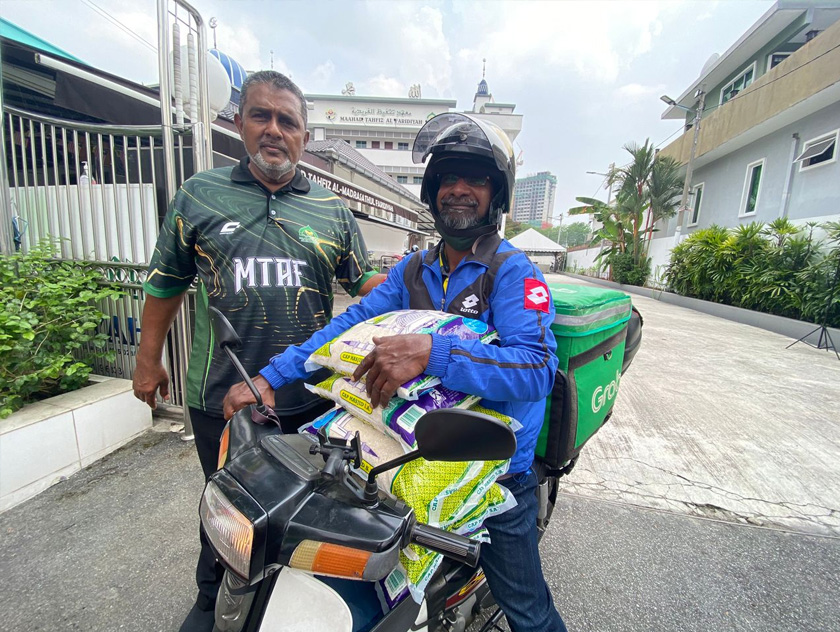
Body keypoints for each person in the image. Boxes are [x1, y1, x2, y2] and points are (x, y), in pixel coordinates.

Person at [224, 112, 567, 632]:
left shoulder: (514, 273)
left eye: (475, 179)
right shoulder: (413, 272)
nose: (459, 190)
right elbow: (348, 327)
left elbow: (538, 367)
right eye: (448, 177)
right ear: (431, 191)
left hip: (492, 471)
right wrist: (271, 378)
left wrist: (434, 353)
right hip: (400, 454)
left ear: (495, 193)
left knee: (529, 612)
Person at [132, 70, 381, 632]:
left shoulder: (332, 211)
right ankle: (210, 599)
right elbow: (164, 284)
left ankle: (287, 605)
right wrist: (149, 360)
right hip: (220, 394)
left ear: (304, 136)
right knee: (227, 502)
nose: (274, 130)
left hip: (309, 394)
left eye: (287, 121)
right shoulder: (200, 194)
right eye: (261, 116)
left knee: (305, 507)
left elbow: (369, 284)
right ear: (239, 121)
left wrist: (430, 293)